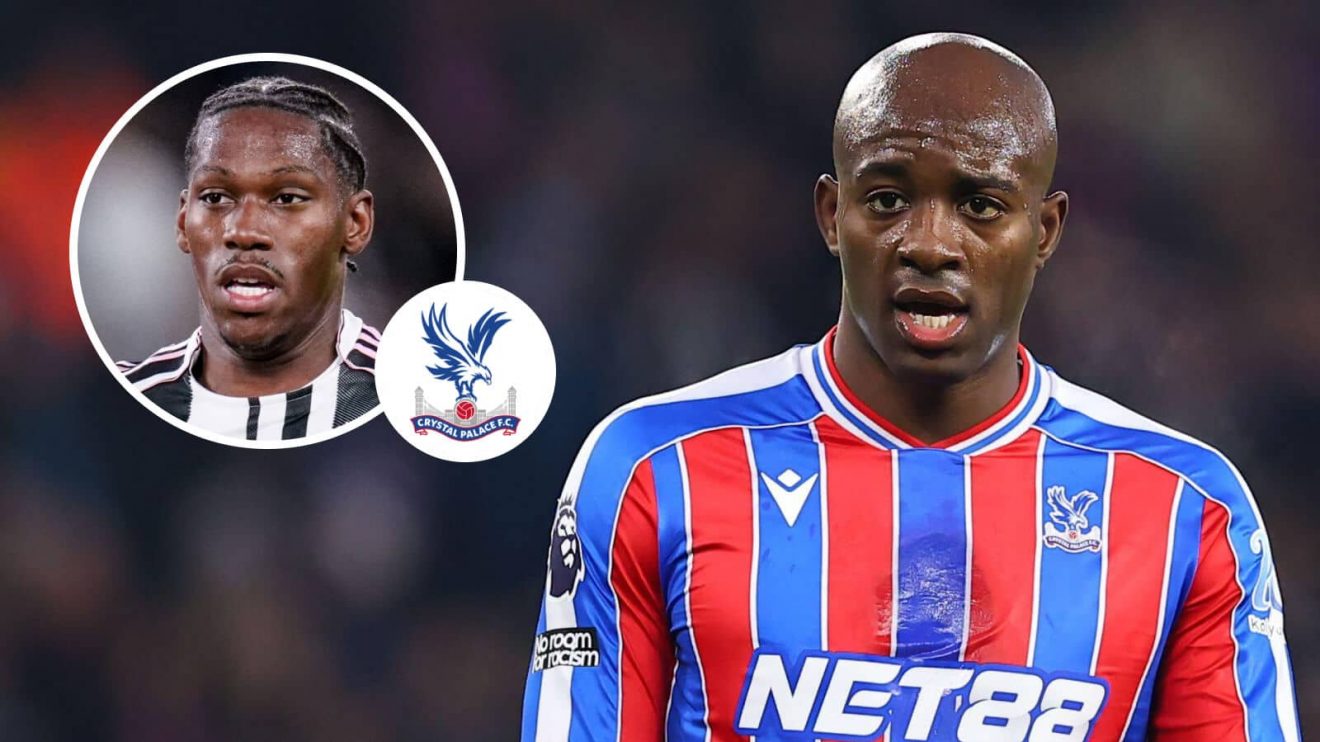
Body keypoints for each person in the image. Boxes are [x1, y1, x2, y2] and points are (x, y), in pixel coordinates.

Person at [521, 33, 1299, 740]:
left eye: (981, 206)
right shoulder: (655, 470)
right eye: (889, 199)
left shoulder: (1186, 507)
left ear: (1045, 232)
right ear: (833, 215)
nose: (930, 244)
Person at [117, 76, 381, 442]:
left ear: (355, 224)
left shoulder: (410, 395)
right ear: (182, 222)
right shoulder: (130, 397)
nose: (244, 231)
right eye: (215, 198)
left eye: (286, 198)